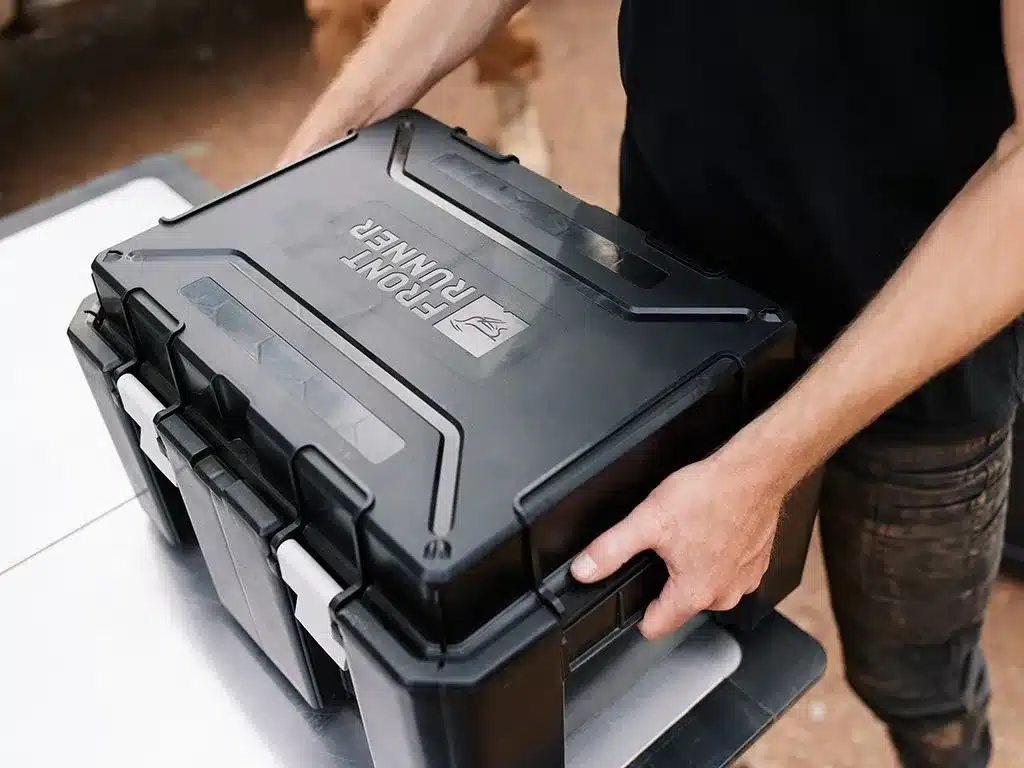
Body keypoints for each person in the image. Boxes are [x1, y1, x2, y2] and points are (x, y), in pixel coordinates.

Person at [280, 2, 1024, 765]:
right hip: (661, 309)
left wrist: (761, 468)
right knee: (657, 664)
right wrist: (313, 152)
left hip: (924, 350)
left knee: (915, 681)